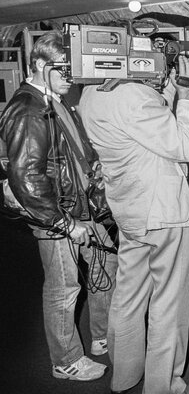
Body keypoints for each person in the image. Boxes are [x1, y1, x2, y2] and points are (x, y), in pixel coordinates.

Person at [78, 56, 189, 394]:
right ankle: (164, 386)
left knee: (128, 295)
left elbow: (145, 123)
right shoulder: (137, 98)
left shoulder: (90, 93)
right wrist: (188, 96)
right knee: (168, 302)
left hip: (129, 210)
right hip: (164, 212)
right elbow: (184, 146)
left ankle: (124, 376)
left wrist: (167, 94)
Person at [0, 30, 117, 381]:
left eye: (72, 70)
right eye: (63, 69)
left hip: (81, 206)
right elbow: (27, 178)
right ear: (39, 64)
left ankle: (102, 337)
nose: (70, 78)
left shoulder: (54, 101)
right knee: (64, 288)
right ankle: (65, 361)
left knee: (105, 270)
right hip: (57, 215)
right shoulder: (27, 108)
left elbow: (70, 154)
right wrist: (64, 223)